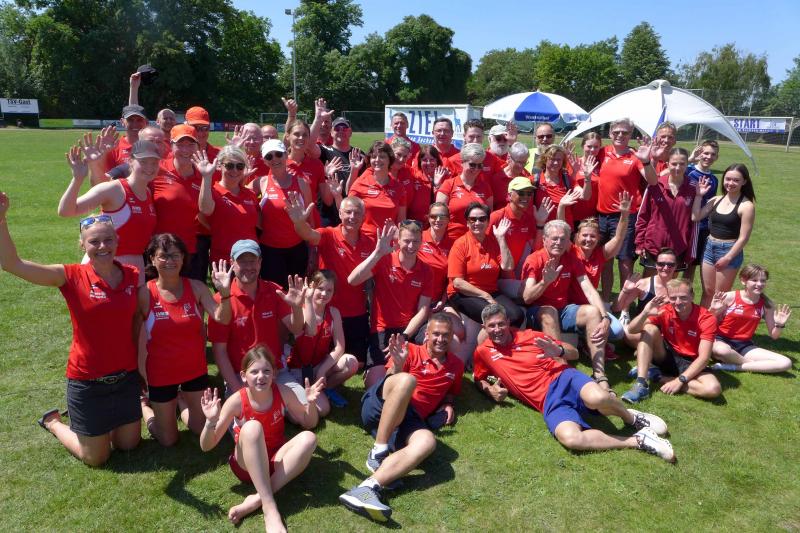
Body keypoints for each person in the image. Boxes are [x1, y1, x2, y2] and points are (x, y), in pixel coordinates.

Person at [1, 195, 141, 466]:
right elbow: (11, 264)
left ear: (117, 241)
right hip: (88, 381)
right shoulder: (70, 276)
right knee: (96, 457)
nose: (102, 246)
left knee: (129, 444)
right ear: (82, 245)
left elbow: (137, 320)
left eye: (108, 240)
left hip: (125, 378)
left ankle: (97, 424)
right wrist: (1, 220)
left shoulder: (132, 274)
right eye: (94, 241)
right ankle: (53, 422)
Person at [474, 304, 674, 462]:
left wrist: (559, 351)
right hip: (547, 400)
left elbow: (575, 353)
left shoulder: (531, 336)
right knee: (571, 438)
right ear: (484, 328)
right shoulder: (483, 352)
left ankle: (632, 418)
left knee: (598, 398)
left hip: (564, 378)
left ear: (508, 322)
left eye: (501, 324)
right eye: (491, 326)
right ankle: (638, 440)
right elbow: (478, 377)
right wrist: (490, 390)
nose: (497, 330)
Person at [339, 316, 464, 522]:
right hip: (380, 405)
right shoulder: (411, 350)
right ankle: (378, 450)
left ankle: (367, 489)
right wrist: (398, 364)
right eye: (436, 334)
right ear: (426, 334)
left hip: (407, 421)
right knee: (407, 380)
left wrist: (448, 403)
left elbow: (451, 391)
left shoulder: (456, 365)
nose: (441, 339)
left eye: (446, 335)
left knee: (427, 441)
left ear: (451, 338)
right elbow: (390, 381)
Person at [200, 345, 322, 531]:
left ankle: (257, 499)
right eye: (254, 372)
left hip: (275, 460)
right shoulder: (236, 400)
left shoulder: (282, 391)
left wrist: (311, 404)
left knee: (309, 438)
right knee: (252, 427)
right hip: (246, 466)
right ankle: (269, 508)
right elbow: (207, 446)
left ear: (274, 374)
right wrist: (210, 422)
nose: (261, 376)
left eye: (266, 371)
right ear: (243, 376)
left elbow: (309, 422)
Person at [138, 233, 233, 446]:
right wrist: (138, 371)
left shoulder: (197, 287)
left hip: (194, 370)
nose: (170, 261)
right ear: (152, 259)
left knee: (201, 429)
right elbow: (133, 335)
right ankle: (144, 406)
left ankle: (181, 401)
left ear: (183, 258)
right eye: (163, 256)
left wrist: (225, 294)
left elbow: (222, 318)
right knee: (168, 440)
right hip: (160, 374)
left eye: (175, 255)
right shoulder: (145, 293)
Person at [285, 195, 375, 378]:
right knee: (320, 356)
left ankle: (320, 378)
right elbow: (308, 234)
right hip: (326, 310)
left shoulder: (370, 241)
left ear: (364, 216)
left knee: (357, 362)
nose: (352, 217)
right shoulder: (329, 234)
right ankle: (317, 378)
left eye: (357, 213)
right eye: (348, 212)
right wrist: (299, 222)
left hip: (355, 312)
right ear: (340, 213)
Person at [520, 220, 613, 392]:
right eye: (554, 238)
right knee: (549, 311)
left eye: (563, 239)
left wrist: (605, 316)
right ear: (545, 239)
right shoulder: (534, 259)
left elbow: (589, 290)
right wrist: (545, 282)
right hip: (538, 313)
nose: (558, 243)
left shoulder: (570, 259)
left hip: (563, 310)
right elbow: (527, 297)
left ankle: (599, 374)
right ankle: (561, 371)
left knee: (593, 312)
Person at [207, 240, 305, 398]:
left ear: (260, 262)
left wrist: (297, 308)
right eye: (242, 261)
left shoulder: (274, 290)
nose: (248, 266)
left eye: (252, 261)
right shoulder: (221, 300)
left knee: (316, 410)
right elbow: (220, 352)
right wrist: (238, 391)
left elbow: (296, 328)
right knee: (252, 413)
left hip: (275, 372)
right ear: (232, 263)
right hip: (242, 377)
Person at [58, 140, 159, 283]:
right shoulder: (113, 189)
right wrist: (77, 179)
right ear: (130, 161)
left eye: (154, 162)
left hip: (135, 267)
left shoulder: (147, 193)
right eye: (143, 162)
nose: (150, 167)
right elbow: (65, 211)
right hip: (106, 264)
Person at [349, 220, 435, 386]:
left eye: (415, 241)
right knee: (374, 384)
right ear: (398, 241)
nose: (411, 246)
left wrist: (405, 336)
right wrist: (377, 253)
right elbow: (353, 280)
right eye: (407, 241)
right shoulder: (385, 260)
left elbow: (423, 310)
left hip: (410, 329)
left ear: (421, 242)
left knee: (431, 343)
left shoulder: (426, 271)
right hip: (383, 328)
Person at [622, 279, 722, 403]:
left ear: (692, 296)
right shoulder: (665, 310)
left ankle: (657, 376)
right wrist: (645, 313)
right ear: (668, 297)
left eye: (683, 297)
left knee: (713, 389)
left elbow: (704, 358)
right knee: (649, 328)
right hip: (666, 355)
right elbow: (631, 330)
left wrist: (679, 381)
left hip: (691, 362)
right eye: (673, 298)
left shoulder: (706, 318)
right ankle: (641, 383)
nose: (678, 302)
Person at [595, 118, 657, 302]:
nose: (620, 135)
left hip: (625, 217)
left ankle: (624, 306)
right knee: (604, 261)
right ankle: (606, 300)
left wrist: (646, 161)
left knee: (625, 262)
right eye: (616, 132)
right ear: (610, 134)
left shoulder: (636, 156)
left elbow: (653, 181)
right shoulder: (602, 152)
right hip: (602, 216)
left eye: (625, 132)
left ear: (631, 134)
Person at [284, 270, 359, 413]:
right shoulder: (300, 310)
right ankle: (313, 392)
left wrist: (322, 370)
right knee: (321, 410)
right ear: (311, 287)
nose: (324, 294)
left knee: (351, 362)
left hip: (319, 366)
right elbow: (310, 330)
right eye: (320, 288)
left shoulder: (334, 312)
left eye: (329, 290)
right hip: (297, 370)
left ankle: (327, 388)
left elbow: (339, 347)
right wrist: (307, 300)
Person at [569, 191, 633, 344]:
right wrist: (562, 208)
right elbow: (562, 230)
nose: (588, 239)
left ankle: (584, 337)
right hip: (571, 306)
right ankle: (582, 337)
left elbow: (619, 237)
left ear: (598, 238)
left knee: (617, 332)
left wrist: (624, 215)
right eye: (584, 235)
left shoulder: (600, 254)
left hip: (593, 304)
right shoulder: (570, 251)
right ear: (577, 236)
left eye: (593, 236)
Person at [447, 202, 522, 328]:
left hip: (491, 291)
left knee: (517, 316)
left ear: (487, 222)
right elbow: (458, 283)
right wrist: (485, 296)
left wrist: (501, 238)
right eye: (473, 219)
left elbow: (508, 266)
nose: (477, 223)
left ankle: (508, 341)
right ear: (467, 223)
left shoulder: (493, 242)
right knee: (494, 317)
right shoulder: (460, 244)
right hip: (463, 294)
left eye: (482, 219)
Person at [707, 263, 792, 373]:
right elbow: (706, 322)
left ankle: (732, 367)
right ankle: (753, 365)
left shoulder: (767, 305)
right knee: (722, 351)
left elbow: (774, 335)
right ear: (743, 281)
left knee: (786, 362)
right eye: (754, 280)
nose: (759, 284)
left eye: (763, 281)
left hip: (744, 345)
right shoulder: (730, 297)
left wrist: (780, 324)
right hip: (720, 340)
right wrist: (713, 310)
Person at [692, 163, 756, 307]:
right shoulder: (716, 199)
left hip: (728, 250)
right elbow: (696, 216)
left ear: (744, 182)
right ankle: (703, 320)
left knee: (720, 295)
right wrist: (698, 196)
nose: (730, 183)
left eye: (736, 180)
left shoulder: (746, 206)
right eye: (728, 179)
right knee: (707, 292)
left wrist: (727, 258)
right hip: (709, 248)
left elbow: (744, 238)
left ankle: (716, 321)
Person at [150, 124, 205, 280]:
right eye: (180, 144)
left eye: (191, 144)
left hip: (188, 250)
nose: (185, 150)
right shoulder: (156, 169)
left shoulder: (204, 174)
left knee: (190, 292)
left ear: (198, 147)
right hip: (159, 250)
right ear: (171, 145)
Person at [256, 139, 313, 285]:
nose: (274, 159)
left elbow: (310, 220)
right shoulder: (261, 183)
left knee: (296, 292)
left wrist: (313, 251)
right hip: (270, 251)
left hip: (297, 248)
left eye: (278, 154)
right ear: (264, 161)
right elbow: (240, 197)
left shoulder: (301, 183)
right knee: (274, 292)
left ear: (286, 155)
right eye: (269, 156)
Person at [634, 147, 696, 274]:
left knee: (671, 283)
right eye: (674, 164)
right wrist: (640, 243)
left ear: (687, 164)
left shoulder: (693, 188)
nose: (677, 168)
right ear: (668, 164)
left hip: (678, 247)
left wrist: (690, 249)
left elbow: (694, 222)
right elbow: (643, 216)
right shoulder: (655, 185)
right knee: (649, 283)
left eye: (682, 164)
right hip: (653, 245)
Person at [195, 145, 260, 265]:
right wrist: (206, 176)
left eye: (240, 166)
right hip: (224, 259)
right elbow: (205, 211)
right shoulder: (213, 192)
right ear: (219, 166)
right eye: (229, 166)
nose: (235, 170)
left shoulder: (249, 194)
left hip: (251, 258)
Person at [614, 248, 679, 347]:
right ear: (656, 265)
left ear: (676, 266)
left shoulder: (680, 288)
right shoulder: (644, 284)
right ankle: (656, 348)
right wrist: (625, 291)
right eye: (661, 264)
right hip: (645, 328)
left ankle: (649, 348)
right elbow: (617, 308)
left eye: (670, 265)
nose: (665, 268)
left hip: (669, 330)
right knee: (626, 333)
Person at [347, 141, 407, 240]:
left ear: (390, 160)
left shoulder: (399, 188)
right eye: (374, 157)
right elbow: (347, 207)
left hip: (389, 241)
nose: (377, 160)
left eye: (382, 156)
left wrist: (399, 239)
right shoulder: (361, 182)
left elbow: (401, 220)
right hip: (364, 240)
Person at [435, 143, 493, 240]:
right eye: (472, 165)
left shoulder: (485, 187)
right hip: (452, 238)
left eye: (480, 165)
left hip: (477, 240)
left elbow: (489, 217)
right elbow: (438, 216)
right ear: (462, 163)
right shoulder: (449, 184)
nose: (476, 169)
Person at [684, 140, 719, 283]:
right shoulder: (688, 171)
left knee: (691, 264)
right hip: (683, 223)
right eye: (706, 153)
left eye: (713, 154)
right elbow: (670, 171)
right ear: (699, 153)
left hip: (701, 227)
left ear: (717, 157)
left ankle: (685, 292)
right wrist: (690, 159)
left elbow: (710, 204)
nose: (708, 157)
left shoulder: (714, 179)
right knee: (674, 262)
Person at [533, 145, 588, 227]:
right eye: (552, 159)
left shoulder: (567, 179)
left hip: (565, 229)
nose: (556, 163)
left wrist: (587, 178)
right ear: (544, 160)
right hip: (543, 228)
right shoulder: (535, 180)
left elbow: (584, 196)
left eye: (559, 160)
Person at [487, 141, 531, 210]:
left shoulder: (526, 178)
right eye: (518, 162)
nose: (521, 166)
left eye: (524, 162)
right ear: (509, 158)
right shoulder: (496, 178)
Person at [571, 133, 603, 227]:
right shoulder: (574, 163)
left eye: (596, 147)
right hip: (575, 215)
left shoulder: (602, 165)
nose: (592, 150)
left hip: (595, 216)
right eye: (589, 146)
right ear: (582, 146)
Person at [104, 104, 147, 171]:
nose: (135, 124)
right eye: (130, 120)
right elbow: (104, 176)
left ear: (145, 122)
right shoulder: (113, 147)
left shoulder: (154, 146)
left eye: (139, 120)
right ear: (122, 122)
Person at [410, 145, 446, 223]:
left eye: (432, 159)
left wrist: (437, 185)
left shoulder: (446, 178)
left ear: (437, 161)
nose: (428, 163)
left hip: (437, 222)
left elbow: (443, 205)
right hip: (415, 222)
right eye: (424, 160)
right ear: (419, 162)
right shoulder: (414, 177)